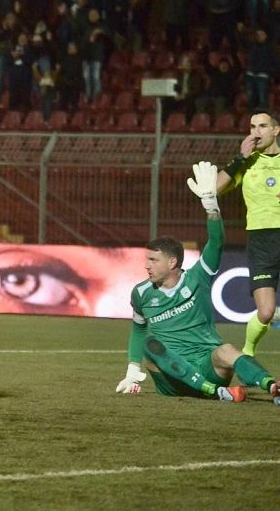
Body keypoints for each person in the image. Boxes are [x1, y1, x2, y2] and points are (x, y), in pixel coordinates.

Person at [116, 161, 280, 405]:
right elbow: (139, 330)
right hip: (172, 378)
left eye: (153, 260)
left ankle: (272, 386)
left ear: (172, 262)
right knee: (151, 344)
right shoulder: (141, 293)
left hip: (208, 367)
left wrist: (211, 207)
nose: (147, 265)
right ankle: (214, 392)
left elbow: (216, 242)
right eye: (146, 260)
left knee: (227, 350)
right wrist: (132, 369)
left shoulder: (198, 277)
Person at [216, 109, 280, 357]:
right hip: (261, 240)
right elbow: (215, 188)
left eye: (262, 126)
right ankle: (248, 352)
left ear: (276, 130)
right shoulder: (247, 162)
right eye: (252, 127)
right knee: (266, 312)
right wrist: (239, 158)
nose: (256, 132)